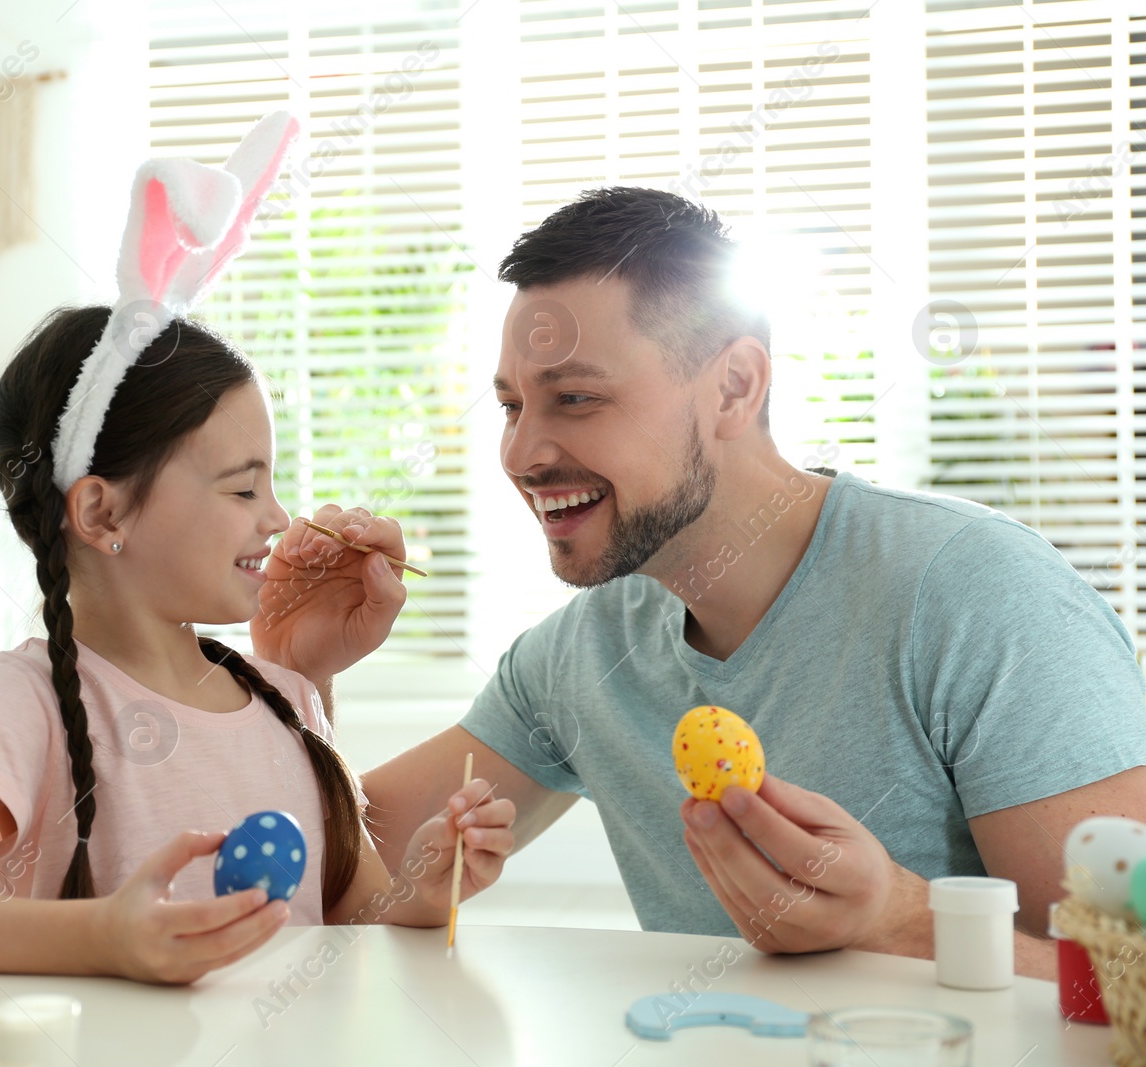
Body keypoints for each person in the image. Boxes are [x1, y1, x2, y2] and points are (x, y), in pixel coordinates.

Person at [250, 186, 1146, 980]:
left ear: (734, 386)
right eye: (514, 405)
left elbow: (1128, 974)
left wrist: (901, 920)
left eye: (576, 398)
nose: (522, 453)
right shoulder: (583, 655)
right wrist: (300, 678)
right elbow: (337, 888)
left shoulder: (978, 599)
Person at [0, 116, 514, 985]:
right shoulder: (24, 703)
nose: (278, 517)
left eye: (273, 483)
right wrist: (102, 937)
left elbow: (349, 913)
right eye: (241, 486)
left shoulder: (286, 696)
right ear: (103, 512)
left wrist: (426, 882)